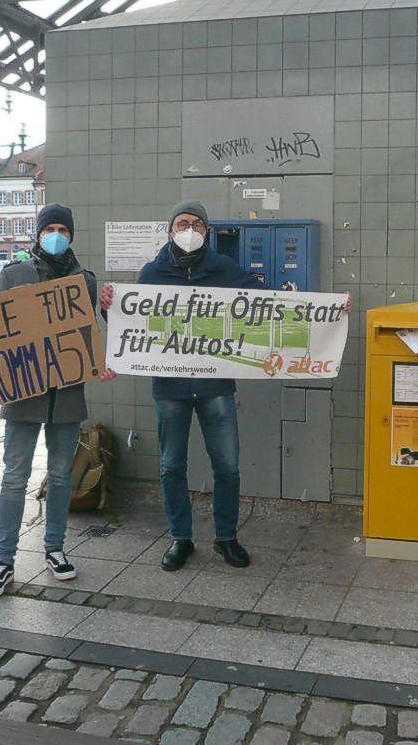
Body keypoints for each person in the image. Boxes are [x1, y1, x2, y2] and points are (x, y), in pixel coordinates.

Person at [0, 203, 116, 598]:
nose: (55, 234)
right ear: (38, 234)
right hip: (23, 394)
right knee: (14, 477)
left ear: (71, 235)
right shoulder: (14, 275)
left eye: (62, 228)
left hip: (68, 395)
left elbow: (98, 330)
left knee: (61, 476)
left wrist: (111, 310)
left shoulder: (85, 282)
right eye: (49, 228)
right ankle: (3, 560)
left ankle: (55, 548)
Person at [100, 201, 265, 572]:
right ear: (169, 230)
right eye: (182, 223)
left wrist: (328, 312)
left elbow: (268, 304)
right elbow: (131, 322)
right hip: (170, 388)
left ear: (207, 231)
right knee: (171, 466)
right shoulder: (151, 273)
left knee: (228, 466)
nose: (189, 229)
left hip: (215, 387)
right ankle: (180, 538)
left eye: (196, 224)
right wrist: (107, 307)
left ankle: (226, 538)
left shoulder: (224, 269)